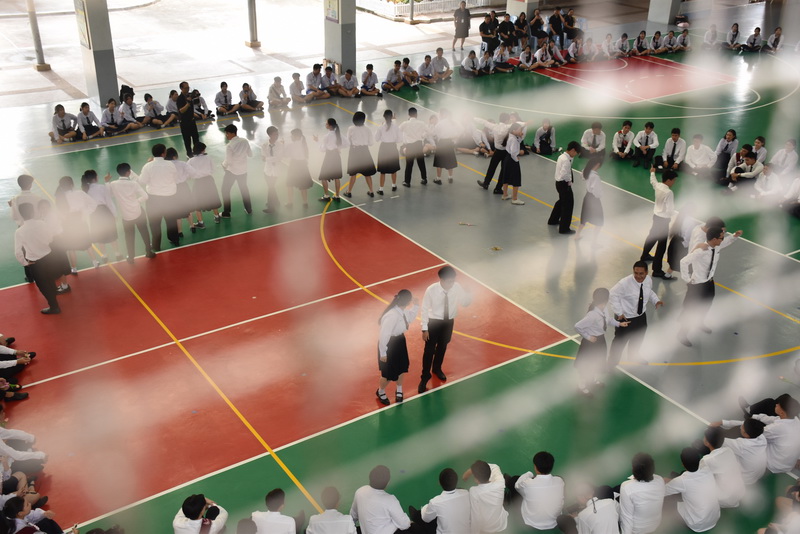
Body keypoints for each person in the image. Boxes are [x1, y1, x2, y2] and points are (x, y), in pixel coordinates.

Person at [678, 226, 742, 347]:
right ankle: (682, 334)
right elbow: (684, 262)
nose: (722, 240)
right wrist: (687, 279)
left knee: (707, 304)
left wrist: (734, 236)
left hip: (709, 282)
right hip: (697, 285)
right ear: (714, 239)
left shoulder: (716, 247)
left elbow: (726, 242)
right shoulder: (701, 250)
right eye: (721, 238)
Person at [418, 266, 471, 393]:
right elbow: (424, 309)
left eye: (453, 281)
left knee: (442, 346)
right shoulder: (431, 290)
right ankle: (425, 377)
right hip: (434, 322)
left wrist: (468, 294)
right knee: (429, 350)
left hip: (448, 322)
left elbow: (464, 303)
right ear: (441, 280)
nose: (452, 284)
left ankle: (437, 368)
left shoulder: (456, 287)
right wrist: (424, 329)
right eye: (449, 281)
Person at [608, 261, 663, 368]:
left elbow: (649, 292)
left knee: (638, 338)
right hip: (625, 317)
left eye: (641, 273)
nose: (638, 276)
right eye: (635, 273)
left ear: (646, 272)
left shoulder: (648, 280)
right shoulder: (624, 283)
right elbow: (612, 295)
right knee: (619, 341)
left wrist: (656, 300)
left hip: (640, 316)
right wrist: (619, 312)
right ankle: (612, 362)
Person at [574, 287, 626, 394]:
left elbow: (608, 320)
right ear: (605, 300)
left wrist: (619, 324)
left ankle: (592, 380)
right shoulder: (592, 315)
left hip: (600, 340)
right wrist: (588, 337)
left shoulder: (604, 309)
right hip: (590, 343)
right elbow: (577, 326)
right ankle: (581, 385)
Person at [14, 204, 60, 314]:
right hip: (49, 256)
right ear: (33, 212)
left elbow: (18, 252)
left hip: (35, 262)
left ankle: (54, 306)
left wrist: (25, 263)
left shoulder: (19, 231)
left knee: (43, 284)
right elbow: (50, 238)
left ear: (21, 215)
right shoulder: (42, 223)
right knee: (50, 279)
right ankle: (54, 297)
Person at [376, 289, 418, 405]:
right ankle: (380, 391)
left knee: (401, 368)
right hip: (389, 344)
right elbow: (384, 335)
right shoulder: (392, 315)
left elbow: (410, 318)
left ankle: (399, 389)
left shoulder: (402, 311)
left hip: (400, 341)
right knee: (387, 373)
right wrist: (383, 352)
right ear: (408, 301)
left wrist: (416, 306)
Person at [108, 162, 155, 263]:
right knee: (144, 232)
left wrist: (107, 182)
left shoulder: (113, 184)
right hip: (138, 212)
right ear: (128, 172)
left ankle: (131, 257)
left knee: (129, 236)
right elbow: (145, 196)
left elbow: (109, 195)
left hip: (126, 215)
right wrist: (136, 201)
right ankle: (148, 252)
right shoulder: (133, 184)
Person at [664, 448, 720, 532]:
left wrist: (663, 481)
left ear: (683, 464)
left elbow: (664, 491)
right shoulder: (707, 469)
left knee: (667, 500)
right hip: (714, 518)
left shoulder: (682, 481)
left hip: (696, 524)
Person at [137, 144, 180, 251]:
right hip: (170, 198)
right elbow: (175, 178)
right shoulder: (170, 164)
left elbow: (142, 181)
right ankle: (174, 240)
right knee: (171, 221)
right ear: (163, 153)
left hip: (153, 199)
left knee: (155, 223)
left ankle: (156, 246)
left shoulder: (147, 166)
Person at [350, 466, 411, 534]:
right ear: (388, 483)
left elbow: (353, 516)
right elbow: (404, 525)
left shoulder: (360, 491)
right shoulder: (390, 500)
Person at [640, 167, 677, 279]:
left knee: (651, 237)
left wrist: (652, 173)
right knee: (661, 246)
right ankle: (656, 270)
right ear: (669, 180)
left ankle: (644, 256)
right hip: (663, 221)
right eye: (674, 180)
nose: (674, 182)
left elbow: (653, 182)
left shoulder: (659, 186)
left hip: (656, 217)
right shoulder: (669, 192)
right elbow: (670, 210)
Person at [514, 451, 565, 531]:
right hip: (553, 521)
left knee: (515, 481)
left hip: (531, 521)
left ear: (535, 467)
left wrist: (529, 474)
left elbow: (517, 486)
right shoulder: (560, 481)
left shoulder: (528, 484)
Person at [411, 468, 470, 534]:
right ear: (457, 481)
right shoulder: (467, 493)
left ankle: (416, 515)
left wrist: (425, 507)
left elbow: (426, 519)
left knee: (425, 518)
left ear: (439, 483)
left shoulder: (435, 502)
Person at [698, 427, 746, 508]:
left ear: (706, 442)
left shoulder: (706, 460)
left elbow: (698, 476)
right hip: (740, 492)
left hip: (726, 499)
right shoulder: (729, 450)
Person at [619, 453, 665, 534]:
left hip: (638, 529)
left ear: (633, 469)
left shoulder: (626, 487)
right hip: (655, 525)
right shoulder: (660, 480)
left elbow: (626, 517)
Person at [82, 170, 121, 261]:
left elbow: (86, 206)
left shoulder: (85, 190)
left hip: (94, 214)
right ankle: (117, 254)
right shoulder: (101, 187)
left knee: (100, 236)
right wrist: (114, 214)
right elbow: (109, 201)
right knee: (111, 234)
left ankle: (104, 256)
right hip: (104, 212)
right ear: (96, 178)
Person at [547, 141, 581, 234]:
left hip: (558, 183)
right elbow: (564, 174)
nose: (575, 155)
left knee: (561, 201)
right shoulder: (566, 160)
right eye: (576, 153)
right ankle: (564, 228)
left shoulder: (562, 157)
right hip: (564, 184)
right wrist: (569, 181)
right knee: (568, 205)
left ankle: (553, 220)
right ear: (572, 150)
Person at [464, 460, 507, 534]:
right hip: (500, 525)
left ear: (476, 479)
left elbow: (475, 517)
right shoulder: (500, 483)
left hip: (485, 529)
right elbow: (494, 467)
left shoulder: (474, 491)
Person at [220, 124, 253, 218]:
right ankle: (248, 209)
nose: (226, 135)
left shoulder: (229, 146)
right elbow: (250, 154)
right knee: (244, 189)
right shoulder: (245, 141)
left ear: (231, 133)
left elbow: (229, 161)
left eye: (227, 133)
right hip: (243, 170)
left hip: (231, 171)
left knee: (225, 190)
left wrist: (223, 165)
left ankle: (227, 212)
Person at [187, 143, 222, 226]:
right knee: (212, 198)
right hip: (209, 180)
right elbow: (213, 169)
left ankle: (201, 222)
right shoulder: (208, 158)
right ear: (202, 150)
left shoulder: (190, 161)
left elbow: (188, 174)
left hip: (198, 182)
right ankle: (217, 216)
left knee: (197, 202)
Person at [344, 111, 376, 198]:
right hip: (365, 151)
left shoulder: (351, 129)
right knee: (367, 174)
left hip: (354, 152)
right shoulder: (368, 129)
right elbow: (371, 143)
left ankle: (349, 191)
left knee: (353, 174)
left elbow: (348, 141)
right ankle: (371, 191)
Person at [316, 118, 347, 203]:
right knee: (337, 177)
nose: (325, 125)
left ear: (329, 126)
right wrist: (338, 148)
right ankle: (337, 196)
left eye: (326, 123)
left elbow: (322, 149)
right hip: (336, 156)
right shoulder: (339, 135)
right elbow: (347, 143)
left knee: (323, 177)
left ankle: (326, 195)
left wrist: (317, 141)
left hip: (329, 157)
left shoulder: (326, 136)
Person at [284, 128, 313, 210]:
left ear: (296, 136)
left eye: (292, 135)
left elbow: (286, 155)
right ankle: (305, 202)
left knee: (289, 184)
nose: (291, 137)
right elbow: (306, 156)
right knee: (303, 185)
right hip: (303, 165)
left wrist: (283, 145)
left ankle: (290, 202)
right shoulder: (304, 144)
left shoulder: (291, 145)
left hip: (294, 165)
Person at [375, 110, 402, 195]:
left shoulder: (381, 127)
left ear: (384, 116)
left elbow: (376, 138)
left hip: (384, 148)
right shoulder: (396, 127)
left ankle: (381, 189)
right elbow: (399, 139)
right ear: (392, 116)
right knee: (393, 169)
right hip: (392, 147)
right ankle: (394, 185)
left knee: (382, 171)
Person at [400, 108, 428, 187]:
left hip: (410, 146)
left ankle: (407, 182)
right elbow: (429, 132)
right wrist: (422, 136)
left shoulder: (405, 123)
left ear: (408, 115)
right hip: (419, 145)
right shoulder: (421, 123)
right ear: (416, 114)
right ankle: (424, 179)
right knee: (421, 163)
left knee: (409, 164)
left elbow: (397, 130)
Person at [498, 122, 525, 205]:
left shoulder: (511, 136)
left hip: (507, 158)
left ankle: (505, 195)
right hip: (512, 160)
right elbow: (513, 152)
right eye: (519, 129)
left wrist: (520, 136)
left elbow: (517, 142)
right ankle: (514, 198)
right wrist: (516, 158)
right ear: (514, 130)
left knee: (506, 176)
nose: (521, 131)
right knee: (516, 178)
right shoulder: (513, 139)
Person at [432, 110, 460, 185]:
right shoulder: (452, 123)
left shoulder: (439, 124)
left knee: (439, 161)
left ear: (442, 115)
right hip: (449, 142)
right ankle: (450, 177)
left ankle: (438, 179)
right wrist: (454, 140)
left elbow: (434, 134)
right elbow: (460, 131)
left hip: (441, 143)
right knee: (450, 160)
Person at [261, 126, 284, 213]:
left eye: (277, 134)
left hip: (276, 170)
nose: (277, 136)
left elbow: (279, 158)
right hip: (267, 170)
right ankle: (276, 201)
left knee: (271, 187)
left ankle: (271, 207)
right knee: (271, 186)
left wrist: (268, 158)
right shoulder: (264, 145)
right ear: (270, 135)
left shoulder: (280, 145)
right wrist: (271, 158)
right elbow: (263, 158)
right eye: (275, 134)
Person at [176, 82, 200, 159]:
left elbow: (197, 99)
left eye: (188, 87)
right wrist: (188, 103)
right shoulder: (179, 99)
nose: (187, 89)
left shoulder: (189, 95)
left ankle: (197, 152)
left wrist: (196, 94)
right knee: (187, 139)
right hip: (184, 122)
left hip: (192, 121)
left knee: (196, 137)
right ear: (181, 88)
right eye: (186, 88)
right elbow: (181, 110)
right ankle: (189, 154)